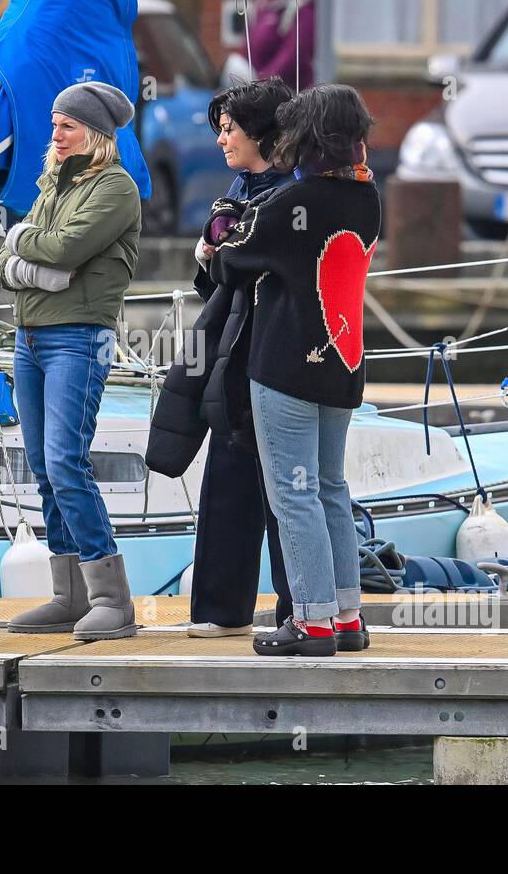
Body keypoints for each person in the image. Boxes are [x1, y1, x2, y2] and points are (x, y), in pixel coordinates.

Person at [209, 84, 379, 657]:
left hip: (285, 365)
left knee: (292, 493)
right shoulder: (368, 199)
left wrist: (224, 232)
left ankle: (310, 623)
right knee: (331, 487)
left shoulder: (290, 204)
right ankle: (347, 615)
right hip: (344, 362)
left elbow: (232, 260)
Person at [145, 78, 296, 636]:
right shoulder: (241, 185)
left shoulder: (296, 190)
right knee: (228, 476)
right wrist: (210, 253)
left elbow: (266, 264)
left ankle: (297, 611)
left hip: (279, 351)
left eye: (229, 129)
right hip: (232, 347)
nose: (221, 140)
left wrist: (226, 250)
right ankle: (219, 610)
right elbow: (221, 275)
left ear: (261, 132)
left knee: (286, 491)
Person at [0, 81, 142, 641]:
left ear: (96, 135)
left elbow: (62, 251)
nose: (55, 134)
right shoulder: (53, 184)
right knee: (41, 463)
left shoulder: (116, 188)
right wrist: (32, 256)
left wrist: (24, 245)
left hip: (78, 338)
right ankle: (69, 594)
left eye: (68, 126)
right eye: (55, 123)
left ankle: (112, 598)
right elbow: (14, 258)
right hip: (30, 336)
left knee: (66, 461)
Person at [250, 0, 316, 91]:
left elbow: (294, 53)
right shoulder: (262, 5)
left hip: (290, 94)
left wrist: (263, 82)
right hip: (260, 92)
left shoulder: (301, 5)